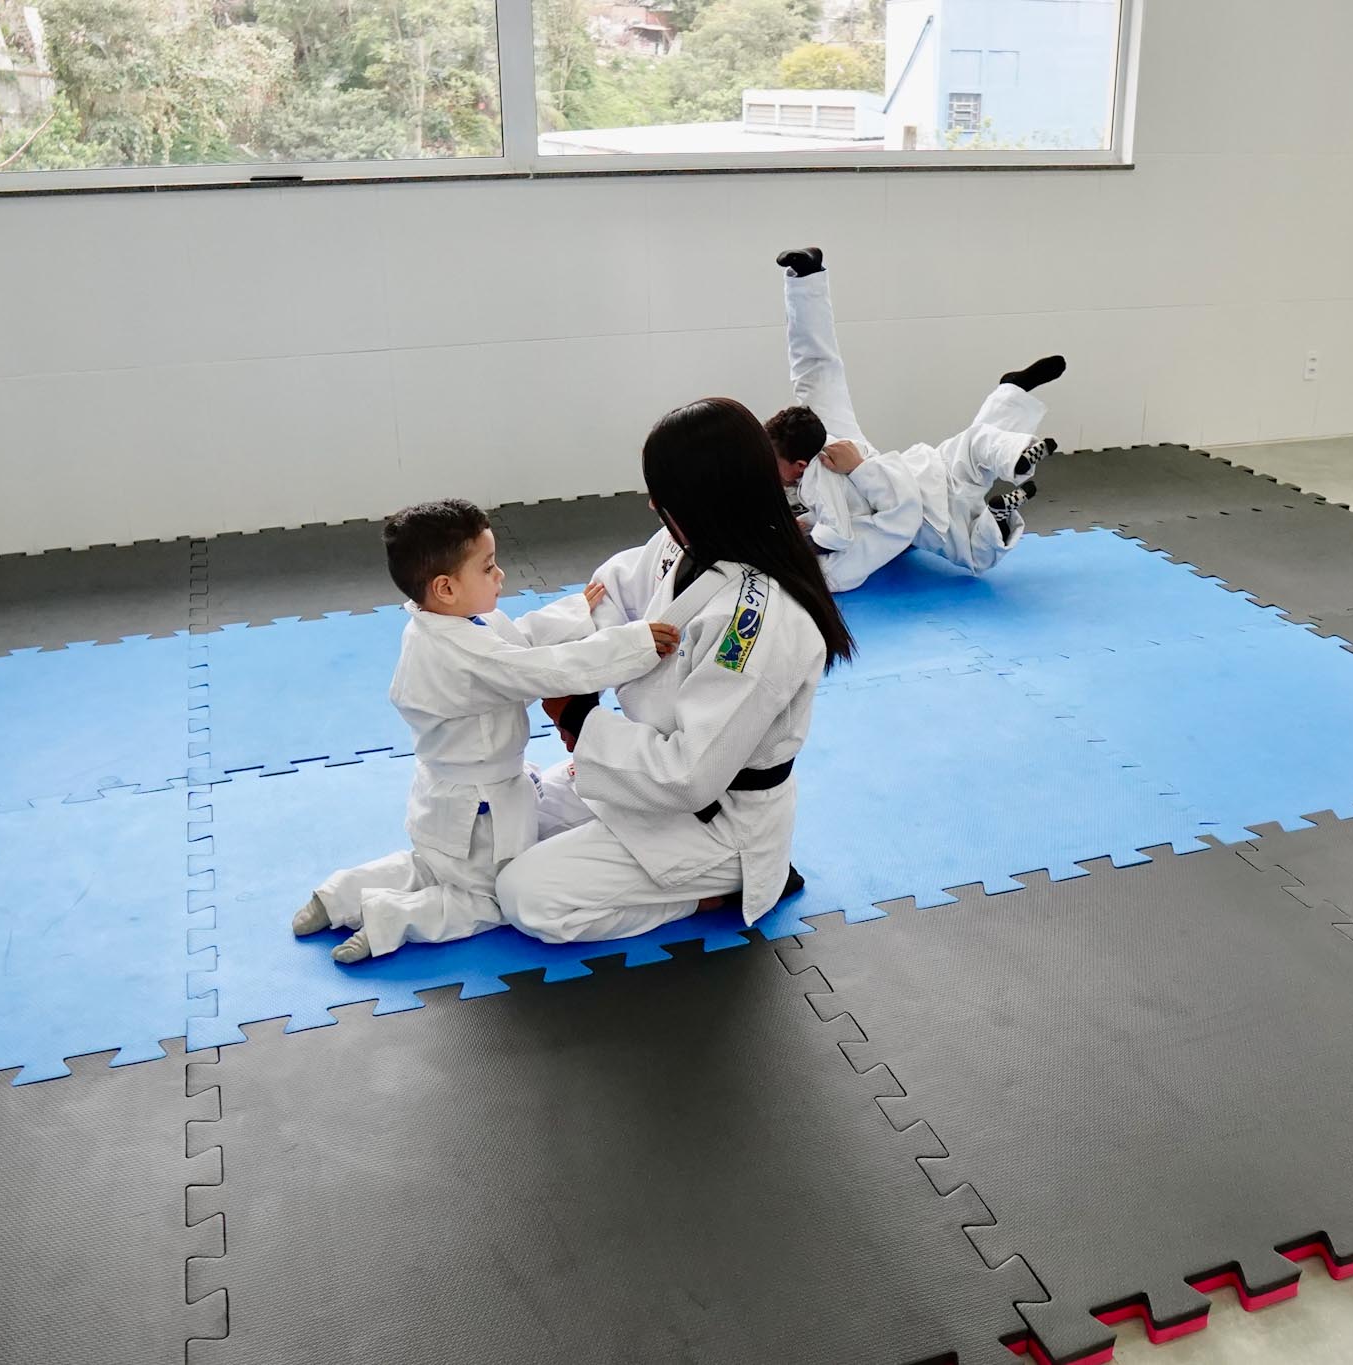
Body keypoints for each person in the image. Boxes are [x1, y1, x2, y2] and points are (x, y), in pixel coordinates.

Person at [495, 397, 855, 944]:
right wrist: (543, 657)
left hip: (719, 819)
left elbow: (690, 775)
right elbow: (615, 591)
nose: (652, 506)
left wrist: (580, 719)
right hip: (648, 772)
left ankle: (718, 891)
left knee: (527, 894)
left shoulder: (758, 623)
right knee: (514, 818)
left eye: (661, 496)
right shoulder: (684, 544)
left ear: (703, 498)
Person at [289, 499, 679, 963]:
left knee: (430, 867)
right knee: (488, 897)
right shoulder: (464, 655)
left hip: (442, 801)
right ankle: (388, 921)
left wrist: (575, 611)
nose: (501, 576)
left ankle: (336, 897)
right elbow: (547, 669)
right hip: (480, 811)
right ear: (446, 587)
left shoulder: (440, 624)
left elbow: (517, 640)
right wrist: (635, 644)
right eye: (488, 567)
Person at [769, 245, 1066, 588]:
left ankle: (1011, 423)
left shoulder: (829, 500)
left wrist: (856, 476)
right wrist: (810, 523)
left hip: (897, 492)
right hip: (883, 467)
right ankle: (1010, 396)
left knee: (970, 518)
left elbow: (867, 528)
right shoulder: (810, 472)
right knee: (817, 378)